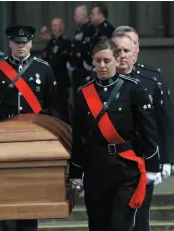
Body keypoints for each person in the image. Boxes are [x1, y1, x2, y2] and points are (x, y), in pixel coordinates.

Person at [69, 38, 161, 231]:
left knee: (120, 225)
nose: (102, 66)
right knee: (98, 225)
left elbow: (148, 129)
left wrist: (153, 165)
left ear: (116, 60)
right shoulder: (83, 93)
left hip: (125, 170)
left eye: (107, 61)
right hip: (96, 170)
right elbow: (78, 136)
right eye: (98, 61)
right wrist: (76, 173)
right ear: (93, 61)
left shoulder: (133, 88)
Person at [0, 25, 61, 231]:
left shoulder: (43, 69)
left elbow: (53, 107)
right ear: (9, 43)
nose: (20, 46)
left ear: (31, 43)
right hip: (2, 141)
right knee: (3, 193)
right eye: (16, 42)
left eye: (24, 42)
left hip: (32, 140)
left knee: (29, 193)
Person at [112, 26, 174, 231]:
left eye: (128, 48)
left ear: (136, 50)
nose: (122, 54)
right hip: (109, 159)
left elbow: (164, 122)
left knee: (140, 216)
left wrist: (166, 159)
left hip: (141, 157)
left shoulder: (151, 78)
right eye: (117, 49)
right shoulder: (99, 80)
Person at [43, 18, 71, 125]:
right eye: (53, 26)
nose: (54, 28)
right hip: (50, 80)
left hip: (61, 80)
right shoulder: (50, 43)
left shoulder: (66, 42)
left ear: (61, 27)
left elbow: (58, 61)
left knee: (62, 108)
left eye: (56, 25)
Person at [68, 5, 97, 91]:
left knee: (87, 96)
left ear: (84, 15)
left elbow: (84, 48)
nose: (74, 17)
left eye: (76, 15)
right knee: (78, 97)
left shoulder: (89, 29)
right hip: (77, 67)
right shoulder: (79, 29)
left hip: (85, 68)